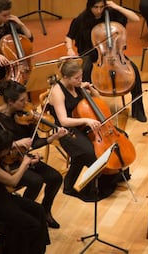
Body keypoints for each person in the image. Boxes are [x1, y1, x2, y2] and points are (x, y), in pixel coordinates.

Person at [48, 59, 129, 202]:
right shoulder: (57, 92)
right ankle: (76, 187)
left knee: (122, 136)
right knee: (90, 153)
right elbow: (63, 120)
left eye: (81, 77)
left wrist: (91, 90)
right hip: (66, 131)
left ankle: (113, 175)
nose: (80, 80)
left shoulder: (78, 85)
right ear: (65, 77)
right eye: (76, 78)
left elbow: (100, 100)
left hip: (83, 127)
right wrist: (86, 120)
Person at [0, 80, 66, 229]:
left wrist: (52, 138)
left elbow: (34, 142)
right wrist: (16, 144)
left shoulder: (24, 116)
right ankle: (24, 213)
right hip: (5, 164)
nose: (26, 104)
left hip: (23, 158)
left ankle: (45, 211)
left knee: (55, 178)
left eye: (26, 99)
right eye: (22, 101)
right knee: (35, 181)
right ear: (11, 102)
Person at [65, 0, 147, 122]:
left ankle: (138, 110)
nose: (98, 10)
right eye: (95, 7)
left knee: (134, 71)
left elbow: (135, 18)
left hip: (114, 53)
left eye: (101, 7)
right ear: (90, 6)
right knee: (85, 73)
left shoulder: (112, 13)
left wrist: (116, 7)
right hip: (91, 55)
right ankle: (90, 111)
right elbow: (69, 36)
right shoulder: (82, 19)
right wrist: (70, 49)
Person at [0, 129, 50, 254]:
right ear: (2, 150)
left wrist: (27, 164)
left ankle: (39, 249)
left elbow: (5, 176)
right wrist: (24, 165)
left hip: (2, 197)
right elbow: (12, 182)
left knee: (38, 209)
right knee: (31, 225)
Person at [0, 0, 32, 92]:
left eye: (9, 14)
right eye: (4, 15)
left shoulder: (10, 24)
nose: (7, 18)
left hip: (13, 66)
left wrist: (21, 24)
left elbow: (30, 38)